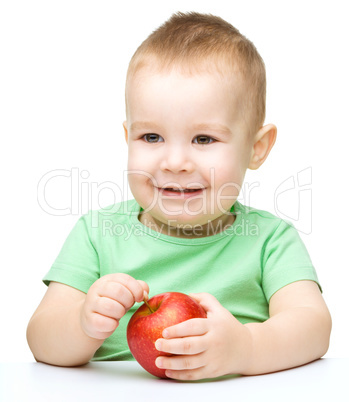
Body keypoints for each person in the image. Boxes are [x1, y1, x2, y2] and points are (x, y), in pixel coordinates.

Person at [27, 12, 331, 380]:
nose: (174, 162)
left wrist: (247, 349)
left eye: (204, 139)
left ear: (256, 148)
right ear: (128, 138)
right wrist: (81, 324)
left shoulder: (270, 240)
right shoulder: (97, 233)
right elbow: (40, 338)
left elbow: (313, 327)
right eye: (151, 137)